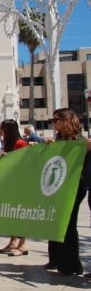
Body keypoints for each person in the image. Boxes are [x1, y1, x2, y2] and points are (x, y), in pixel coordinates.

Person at [46, 109, 90, 276]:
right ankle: (61, 261)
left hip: (75, 187)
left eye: (56, 120)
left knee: (69, 224)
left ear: (66, 121)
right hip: (60, 186)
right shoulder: (59, 140)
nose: (54, 123)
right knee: (61, 223)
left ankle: (71, 264)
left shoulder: (79, 141)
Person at [0, 119, 29, 255]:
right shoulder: (8, 144)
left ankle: (23, 245)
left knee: (19, 215)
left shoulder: (20, 143)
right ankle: (13, 242)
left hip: (20, 184)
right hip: (10, 183)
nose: (1, 133)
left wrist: (8, 157)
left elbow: (24, 161)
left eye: (3, 130)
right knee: (12, 215)